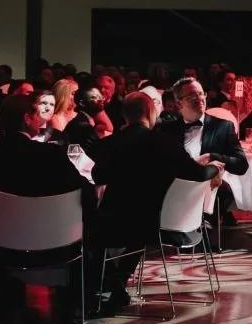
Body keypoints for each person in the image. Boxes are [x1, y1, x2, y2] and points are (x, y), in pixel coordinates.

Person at [86, 90, 222, 312]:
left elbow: (98, 176)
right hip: (156, 221)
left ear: (124, 116)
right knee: (138, 225)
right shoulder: (165, 143)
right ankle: (117, 279)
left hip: (113, 220)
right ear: (150, 112)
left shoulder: (110, 144)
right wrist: (212, 168)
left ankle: (104, 283)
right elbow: (196, 174)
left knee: (91, 226)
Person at [0, 90, 91, 261]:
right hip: (54, 246)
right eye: (35, 113)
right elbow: (85, 193)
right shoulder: (51, 155)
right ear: (27, 118)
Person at [157, 78, 247, 227]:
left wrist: (212, 157)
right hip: (174, 186)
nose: (199, 98)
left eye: (201, 94)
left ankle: (203, 228)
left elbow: (241, 164)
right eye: (192, 96)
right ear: (179, 103)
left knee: (223, 190)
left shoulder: (222, 127)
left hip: (206, 188)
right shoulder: (167, 129)